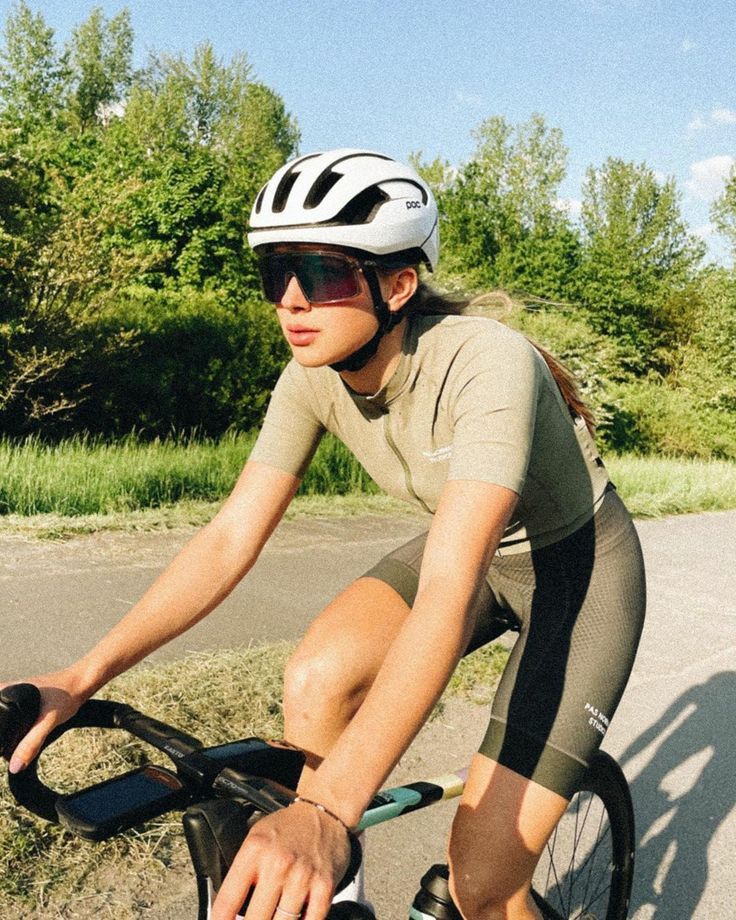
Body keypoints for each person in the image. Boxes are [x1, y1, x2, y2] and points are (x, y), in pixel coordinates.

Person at [3, 149, 646, 920]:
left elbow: (450, 587)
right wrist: (82, 677)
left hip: (576, 572)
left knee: (482, 884)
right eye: (277, 274)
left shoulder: (485, 362)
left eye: (325, 273)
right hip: (463, 553)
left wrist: (332, 808)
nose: (293, 300)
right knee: (313, 678)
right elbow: (229, 537)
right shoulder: (311, 376)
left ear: (398, 284)